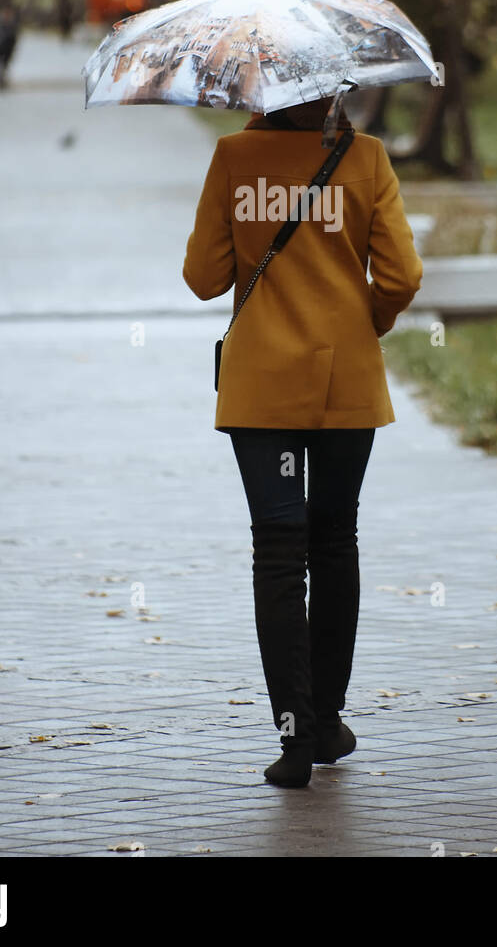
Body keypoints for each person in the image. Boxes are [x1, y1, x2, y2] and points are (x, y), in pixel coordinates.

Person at [183, 93, 423, 788]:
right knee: (334, 540)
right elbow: (403, 276)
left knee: (278, 552)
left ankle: (291, 738)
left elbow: (203, 279)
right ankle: (326, 721)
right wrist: (364, 318)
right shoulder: (365, 157)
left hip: (260, 389)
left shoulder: (234, 157)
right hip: (343, 383)